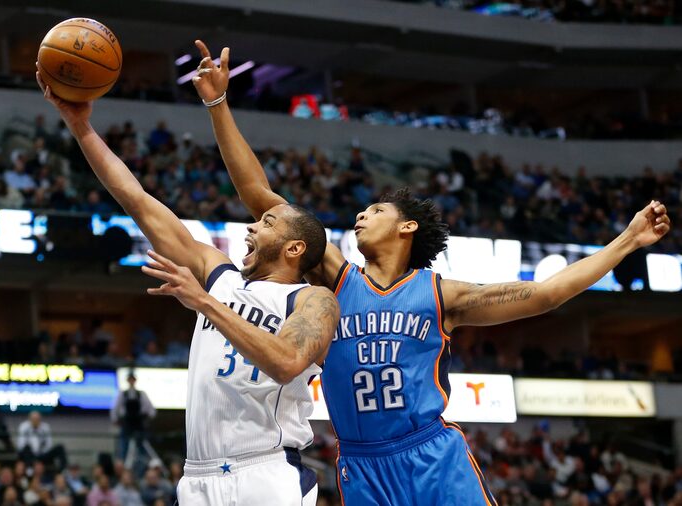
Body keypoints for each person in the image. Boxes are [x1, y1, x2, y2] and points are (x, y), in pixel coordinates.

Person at [190, 39, 673, 505]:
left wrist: (627, 240)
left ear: (407, 227)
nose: (361, 215)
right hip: (360, 462)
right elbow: (261, 197)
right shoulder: (337, 278)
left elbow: (546, 293)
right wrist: (219, 104)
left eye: (376, 210)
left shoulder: (443, 295)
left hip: (430, 455)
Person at [36, 65, 340, 506]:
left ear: (295, 249)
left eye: (267, 222)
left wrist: (203, 302)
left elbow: (289, 361)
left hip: (266, 470)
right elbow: (136, 200)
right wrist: (80, 127)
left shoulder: (313, 299)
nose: (252, 228)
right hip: (197, 477)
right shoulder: (219, 273)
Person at [110, 373, 156, 466]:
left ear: (135, 381)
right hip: (127, 423)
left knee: (142, 446)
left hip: (138, 423)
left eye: (133, 379)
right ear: (128, 381)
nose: (131, 381)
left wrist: (147, 419)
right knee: (124, 447)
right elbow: (115, 408)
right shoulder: (123, 394)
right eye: (130, 379)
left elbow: (151, 409)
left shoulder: (141, 394)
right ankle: (123, 465)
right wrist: (115, 420)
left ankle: (144, 465)